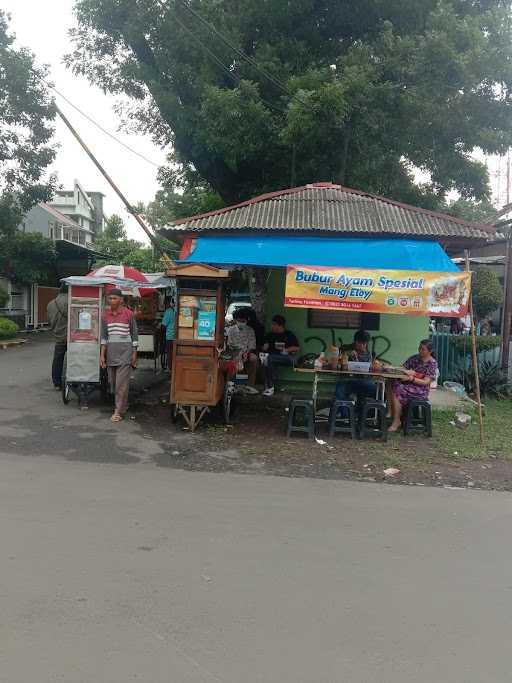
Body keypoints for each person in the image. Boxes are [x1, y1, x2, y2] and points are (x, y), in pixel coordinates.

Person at [100, 288, 138, 423]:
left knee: (121, 384)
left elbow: (134, 335)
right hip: (111, 353)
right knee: (113, 383)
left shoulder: (129, 314)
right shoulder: (105, 316)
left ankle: (118, 411)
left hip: (125, 353)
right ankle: (123, 405)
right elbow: (104, 337)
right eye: (110, 298)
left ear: (121, 299)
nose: (112, 301)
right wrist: (102, 355)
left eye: (114, 298)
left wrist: (134, 353)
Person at [387, 339, 438, 433]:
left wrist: (412, 378)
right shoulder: (415, 358)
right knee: (392, 382)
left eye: (423, 349)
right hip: (410, 385)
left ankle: (396, 420)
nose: (420, 351)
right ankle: (392, 412)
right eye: (419, 348)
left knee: (398, 388)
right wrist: (393, 368)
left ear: (430, 351)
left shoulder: (432, 363)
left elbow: (426, 382)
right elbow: (403, 367)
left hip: (421, 390)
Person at [335, 330, 376, 407]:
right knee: (340, 391)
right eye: (360, 343)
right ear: (355, 341)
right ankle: (345, 416)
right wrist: (346, 354)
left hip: (363, 380)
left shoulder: (368, 354)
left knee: (376, 390)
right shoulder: (345, 348)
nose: (363, 345)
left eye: (365, 343)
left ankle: (365, 414)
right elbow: (337, 364)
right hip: (347, 380)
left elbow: (369, 370)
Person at [261, 314, 300, 397]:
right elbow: (263, 347)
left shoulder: (288, 334)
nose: (272, 326)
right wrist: (264, 347)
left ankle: (270, 387)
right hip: (272, 358)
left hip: (287, 358)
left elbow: (296, 348)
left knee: (269, 359)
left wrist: (286, 350)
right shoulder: (269, 335)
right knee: (267, 360)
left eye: (273, 324)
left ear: (279, 325)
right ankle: (270, 386)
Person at [225, 308, 259, 394]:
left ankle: (250, 385)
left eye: (243, 321)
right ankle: (230, 384)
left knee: (254, 358)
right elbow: (229, 345)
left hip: (246, 353)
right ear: (236, 320)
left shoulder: (250, 330)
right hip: (234, 353)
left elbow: (252, 346)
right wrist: (238, 354)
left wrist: (246, 353)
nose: (241, 323)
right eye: (239, 321)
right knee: (232, 360)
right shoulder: (231, 330)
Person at [47, 283, 68, 389]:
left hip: (58, 335)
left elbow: (49, 320)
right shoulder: (70, 301)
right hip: (70, 335)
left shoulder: (51, 304)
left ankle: (57, 382)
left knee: (58, 359)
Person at [161, 297, 176, 371]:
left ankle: (171, 370)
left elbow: (163, 325)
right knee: (175, 355)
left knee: (170, 355)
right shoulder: (178, 310)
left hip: (170, 337)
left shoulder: (169, 311)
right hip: (177, 337)